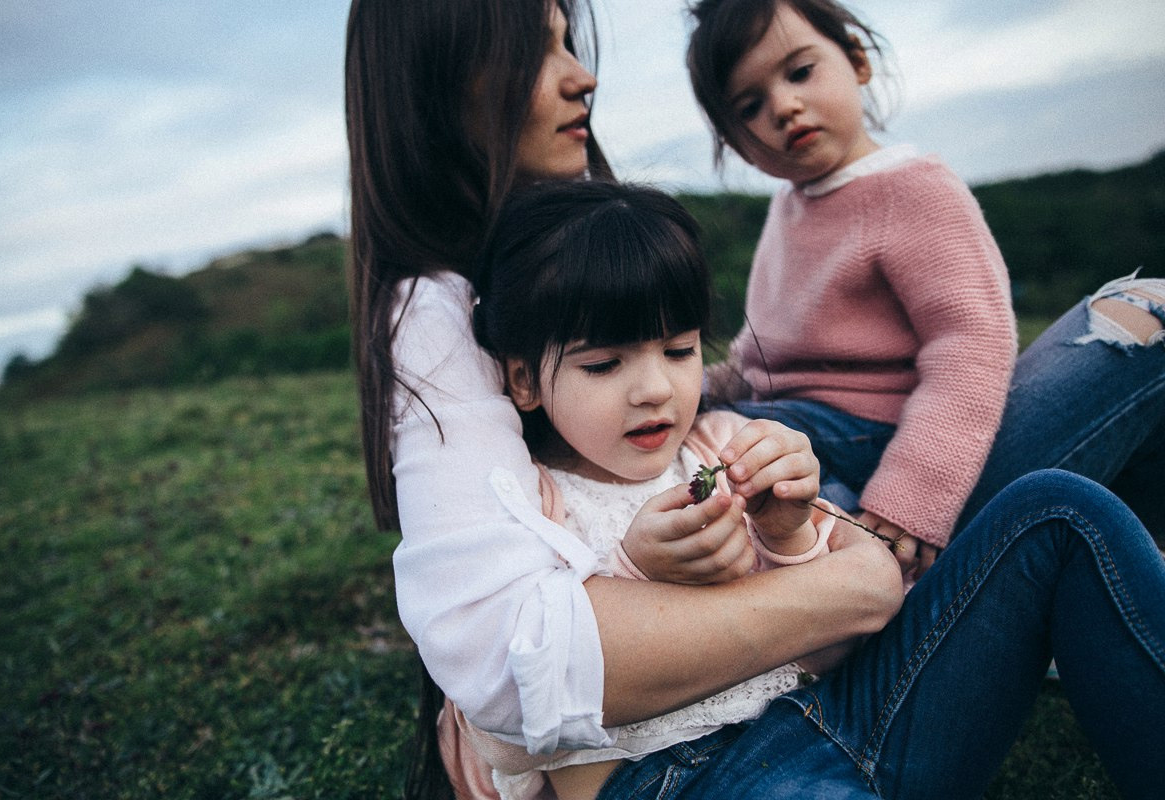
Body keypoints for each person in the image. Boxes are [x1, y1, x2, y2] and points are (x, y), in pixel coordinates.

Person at [344, 2, 1165, 798]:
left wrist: (807, 530)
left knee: (1084, 459)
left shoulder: (680, 370)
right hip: (725, 735)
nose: (582, 76)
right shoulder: (444, 326)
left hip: (831, 603)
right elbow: (510, 674)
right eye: (537, 52)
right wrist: (850, 582)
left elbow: (968, 341)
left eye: (676, 350)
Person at [687, 0, 1165, 584]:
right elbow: (758, 352)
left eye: (801, 72)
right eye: (749, 107)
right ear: (735, 140)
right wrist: (688, 387)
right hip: (792, 428)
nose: (783, 106)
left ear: (858, 61)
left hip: (878, 439)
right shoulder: (791, 206)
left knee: (1145, 312)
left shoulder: (912, 190)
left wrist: (909, 496)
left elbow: (970, 343)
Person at [469, 179, 866, 799]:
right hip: (654, 780)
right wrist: (636, 574)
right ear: (524, 380)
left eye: (679, 350)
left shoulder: (722, 448)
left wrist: (787, 534)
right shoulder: (530, 506)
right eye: (603, 364)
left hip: (803, 733)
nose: (655, 389)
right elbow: (509, 722)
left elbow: (835, 641)